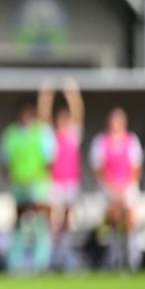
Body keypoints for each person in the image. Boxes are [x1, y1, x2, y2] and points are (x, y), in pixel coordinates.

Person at [0, 95, 56, 273]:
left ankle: (41, 263)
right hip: (19, 185)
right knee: (19, 224)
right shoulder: (11, 134)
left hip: (37, 184)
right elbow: (5, 161)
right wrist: (13, 179)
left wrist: (40, 180)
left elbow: (49, 160)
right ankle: (15, 264)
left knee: (40, 224)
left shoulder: (42, 131)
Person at [88, 108, 144, 271]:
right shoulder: (101, 141)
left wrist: (124, 188)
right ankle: (115, 257)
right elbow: (99, 168)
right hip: (109, 188)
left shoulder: (131, 140)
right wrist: (113, 188)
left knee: (129, 220)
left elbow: (135, 168)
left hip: (127, 186)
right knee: (112, 220)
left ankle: (132, 258)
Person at [39, 78, 83, 271]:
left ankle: (65, 257)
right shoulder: (52, 136)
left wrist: (73, 95)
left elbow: (78, 113)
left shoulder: (73, 135)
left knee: (67, 221)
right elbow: (43, 117)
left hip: (70, 182)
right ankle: (51, 258)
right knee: (53, 221)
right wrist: (45, 96)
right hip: (55, 183)